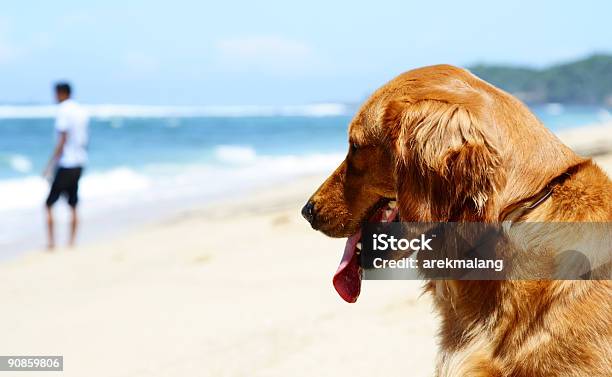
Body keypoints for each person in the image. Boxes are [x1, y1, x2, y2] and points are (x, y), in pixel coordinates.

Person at [43, 82, 89, 250]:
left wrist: (49, 165)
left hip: (66, 163)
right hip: (80, 162)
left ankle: (51, 243)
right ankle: (72, 242)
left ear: (61, 93)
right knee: (73, 204)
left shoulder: (63, 111)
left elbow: (62, 140)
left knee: (48, 204)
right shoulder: (81, 111)